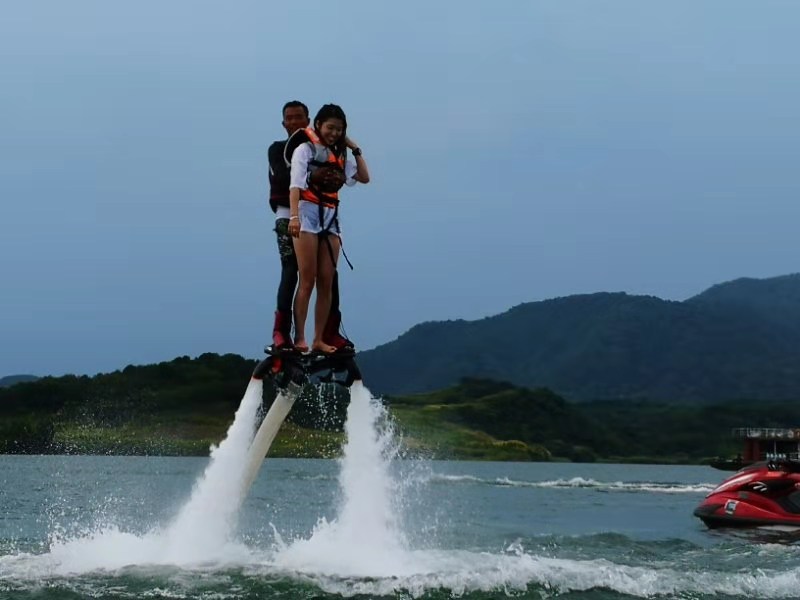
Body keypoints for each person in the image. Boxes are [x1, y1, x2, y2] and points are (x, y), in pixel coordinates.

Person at [267, 101, 354, 351]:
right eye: (289, 119)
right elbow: (286, 178)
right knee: (292, 270)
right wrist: (314, 176)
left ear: (308, 121)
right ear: (283, 123)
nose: (294, 122)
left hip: (319, 214)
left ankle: (329, 331)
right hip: (289, 215)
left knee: (328, 274)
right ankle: (282, 333)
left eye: (299, 118)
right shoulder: (280, 149)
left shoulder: (321, 149)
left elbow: (345, 177)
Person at [287, 104, 370, 354]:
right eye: (330, 128)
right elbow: (295, 186)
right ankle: (299, 337)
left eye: (339, 129)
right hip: (306, 214)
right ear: (319, 125)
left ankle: (319, 339)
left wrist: (354, 148)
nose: (334, 133)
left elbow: (364, 178)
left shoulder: (341, 154)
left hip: (331, 218)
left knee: (327, 281)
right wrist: (293, 217)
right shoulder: (305, 149)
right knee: (307, 280)